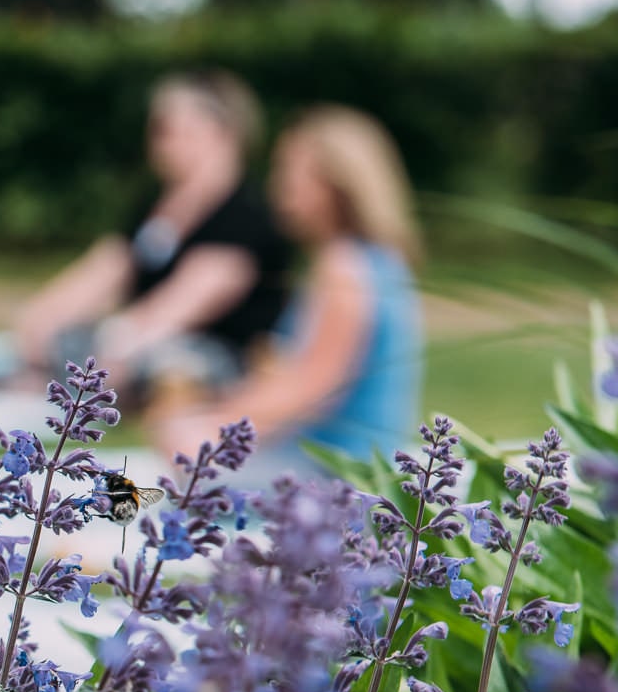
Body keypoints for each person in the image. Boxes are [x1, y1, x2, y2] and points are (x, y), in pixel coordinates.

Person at [153, 105, 423, 466]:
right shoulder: (379, 261)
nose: (278, 186)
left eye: (290, 172)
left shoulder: (344, 267)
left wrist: (211, 427)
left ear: (334, 184)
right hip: (358, 464)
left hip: (338, 474)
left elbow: (310, 388)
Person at [14, 69, 293, 403]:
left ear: (220, 131)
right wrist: (43, 319)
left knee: (161, 363)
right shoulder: (157, 205)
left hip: (213, 353)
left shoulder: (244, 214)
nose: (157, 142)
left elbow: (188, 303)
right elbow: (106, 269)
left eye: (167, 129)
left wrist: (118, 345)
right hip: (144, 343)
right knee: (72, 341)